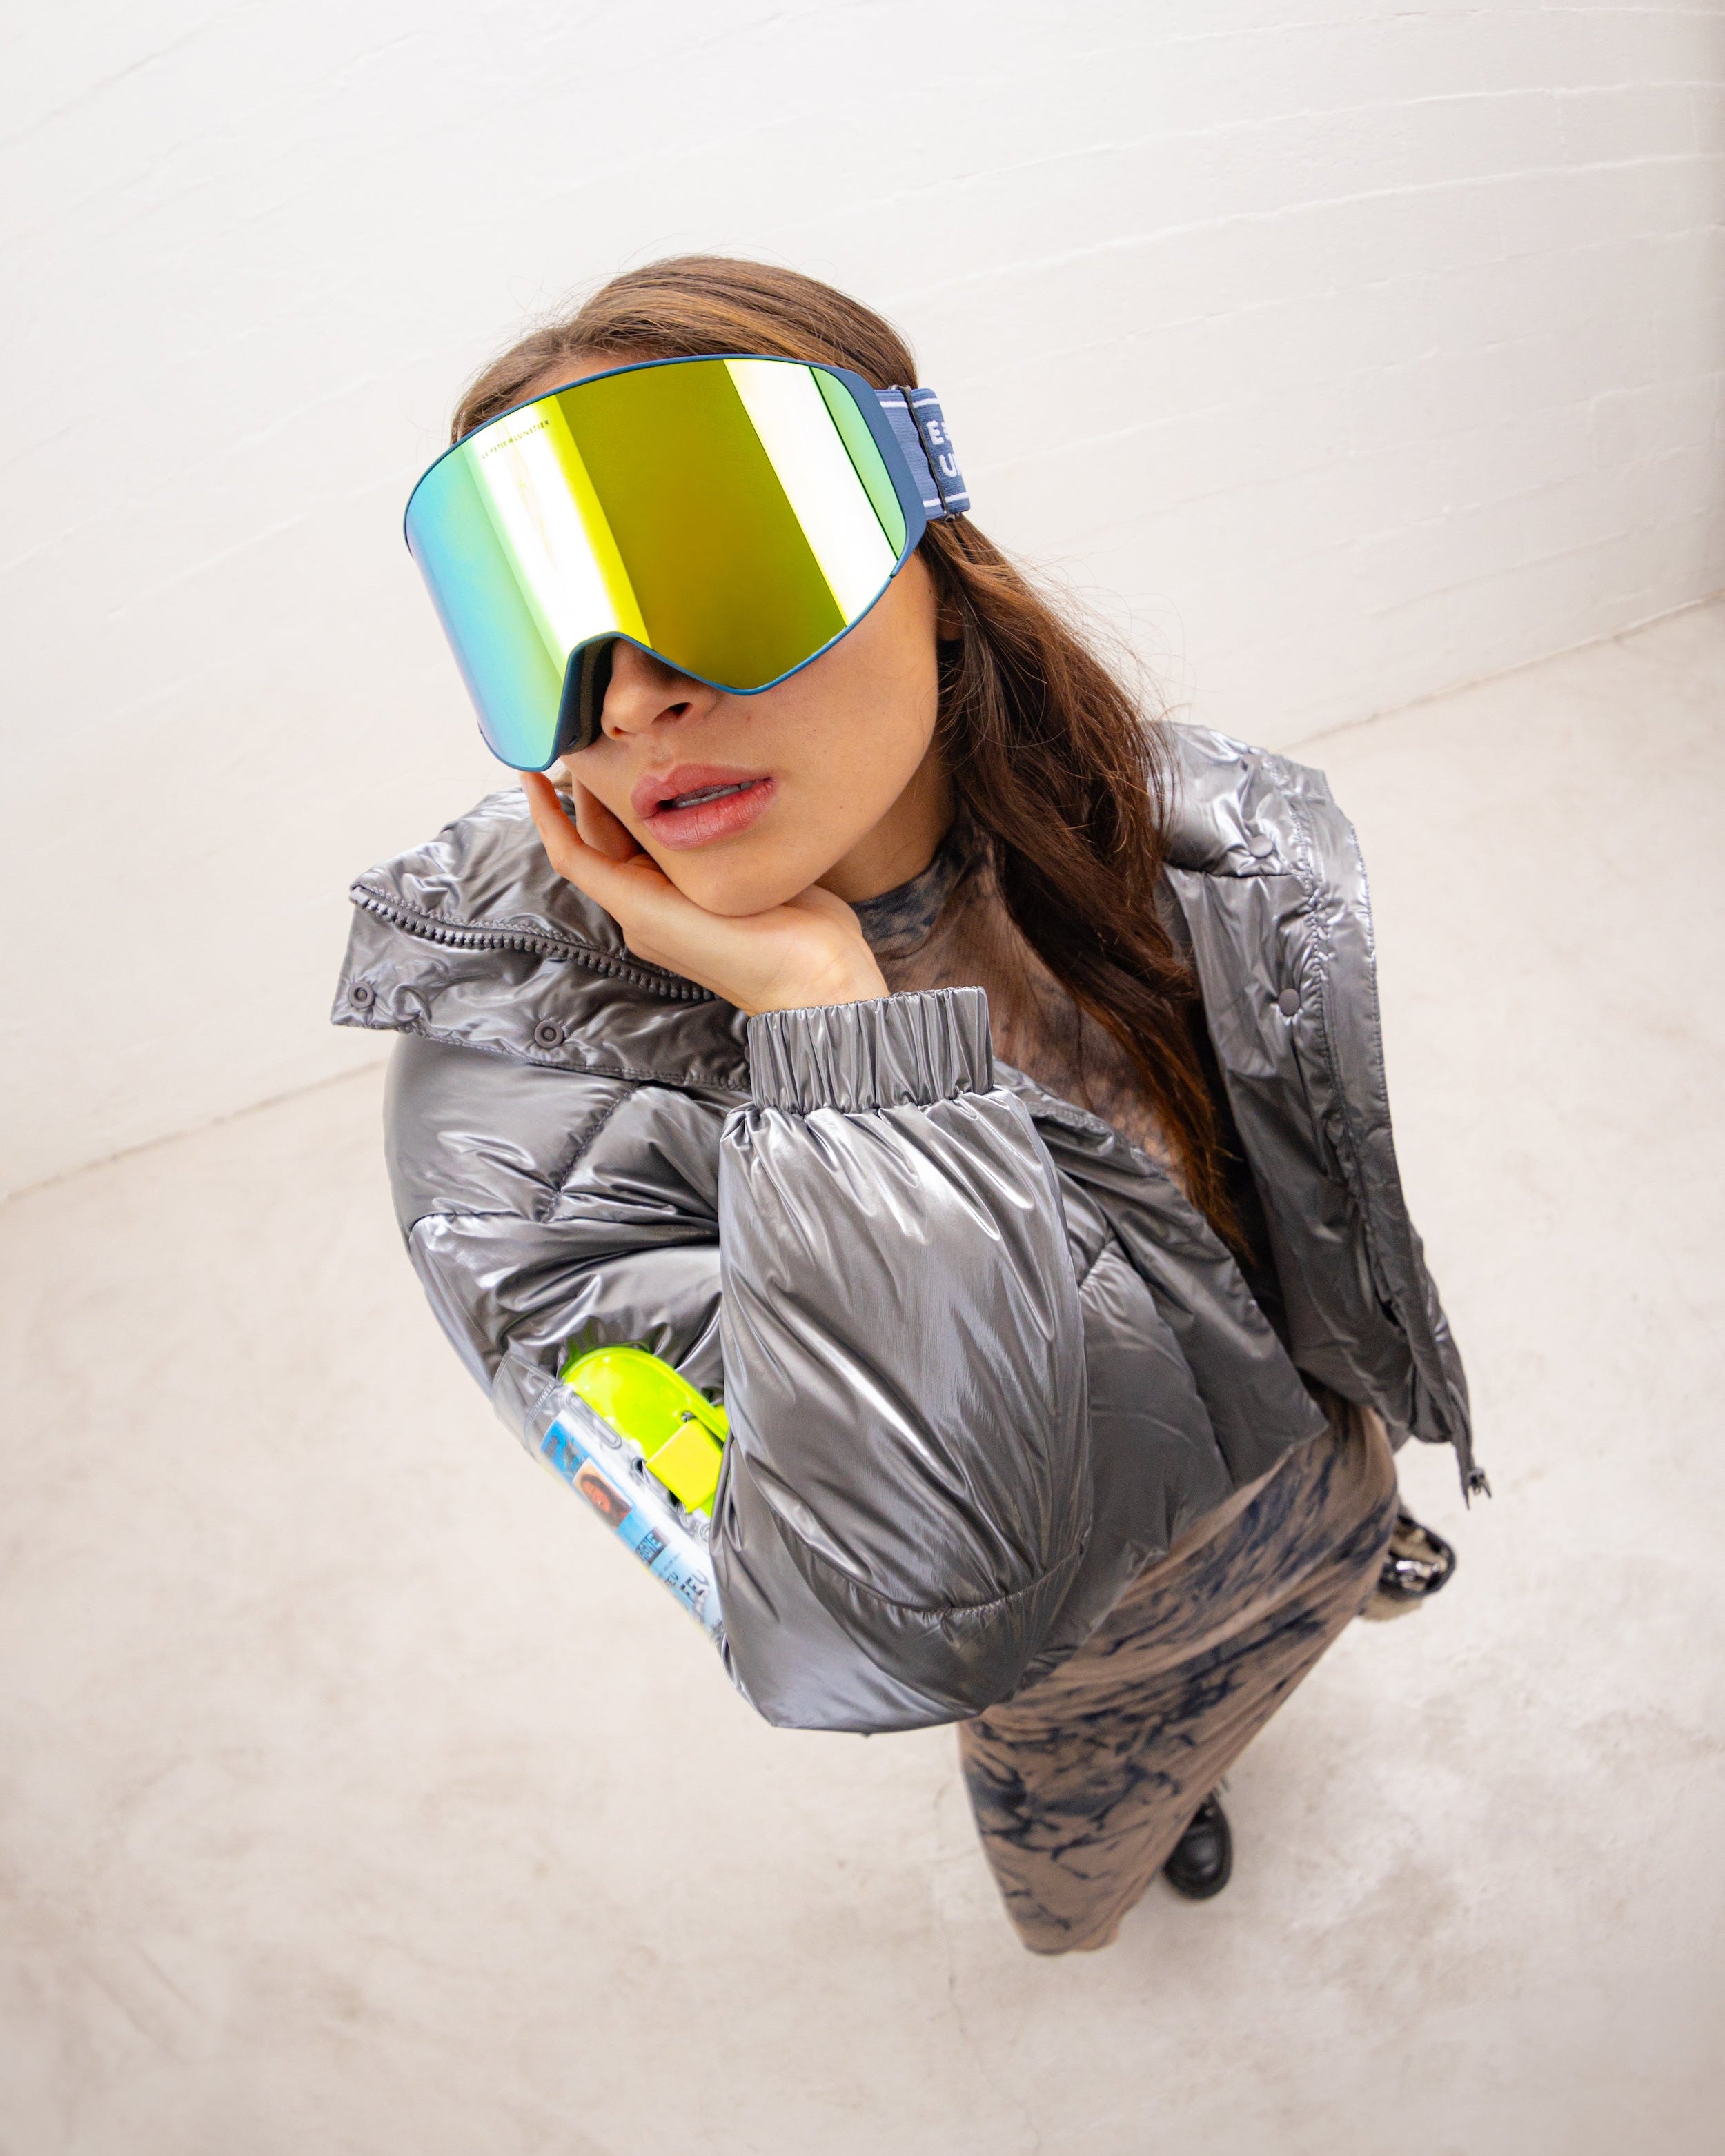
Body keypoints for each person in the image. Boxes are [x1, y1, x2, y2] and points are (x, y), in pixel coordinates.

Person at [335, 257, 1479, 1955]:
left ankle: (1343, 1556)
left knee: (1325, 1546)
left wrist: (1338, 1476)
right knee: (1103, 1819)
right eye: (546, 628)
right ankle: (1165, 1799)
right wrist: (829, 1037)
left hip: (1314, 1472)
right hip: (1083, 1660)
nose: (632, 698)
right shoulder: (517, 1135)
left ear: (930, 561)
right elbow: (880, 1624)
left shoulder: (1161, 831)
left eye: (718, 575)